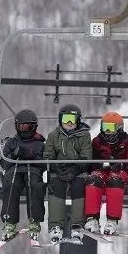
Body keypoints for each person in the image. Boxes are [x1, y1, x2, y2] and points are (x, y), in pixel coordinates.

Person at [43, 104, 92, 243]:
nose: (69, 123)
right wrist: (55, 167)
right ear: (60, 120)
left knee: (78, 186)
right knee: (56, 186)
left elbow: (87, 156)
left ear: (78, 120)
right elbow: (48, 154)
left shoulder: (84, 135)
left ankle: (78, 225)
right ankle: (55, 226)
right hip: (59, 171)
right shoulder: (54, 135)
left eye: (72, 119)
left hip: (77, 171)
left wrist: (76, 168)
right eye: (65, 119)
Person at [83, 111, 128, 235]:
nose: (107, 131)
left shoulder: (127, 141)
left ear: (119, 128)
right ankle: (92, 218)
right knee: (93, 180)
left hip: (120, 172)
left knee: (115, 181)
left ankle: (112, 220)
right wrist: (99, 165)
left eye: (110, 128)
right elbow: (92, 160)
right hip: (101, 170)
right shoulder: (98, 141)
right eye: (105, 127)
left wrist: (122, 164)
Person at [0, 109, 46, 242]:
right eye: (22, 126)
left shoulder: (40, 143)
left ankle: (34, 221)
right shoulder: (11, 143)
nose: (25, 129)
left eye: (29, 126)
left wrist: (34, 158)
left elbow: (47, 164)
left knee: (35, 185)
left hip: (33, 171)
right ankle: (10, 222)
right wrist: (14, 154)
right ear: (17, 127)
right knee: (9, 184)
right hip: (15, 171)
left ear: (34, 127)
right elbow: (4, 163)